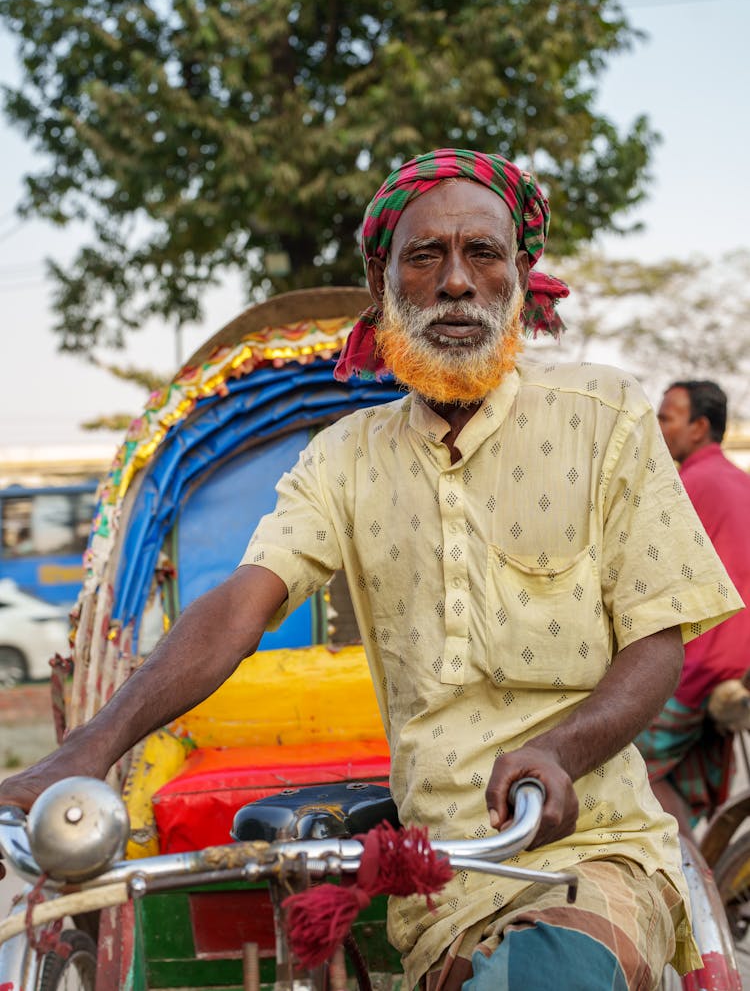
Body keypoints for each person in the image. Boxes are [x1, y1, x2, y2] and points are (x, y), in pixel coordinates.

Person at [0, 150, 742, 991]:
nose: (456, 281)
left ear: (521, 277)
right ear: (381, 279)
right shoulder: (343, 459)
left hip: (589, 848)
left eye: (483, 254)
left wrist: (560, 749)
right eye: (425, 256)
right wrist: (87, 749)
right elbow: (244, 603)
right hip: (438, 881)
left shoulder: (604, 415)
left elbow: (655, 642)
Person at [636, 380, 750, 839]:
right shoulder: (738, 480)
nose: (659, 427)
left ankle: (688, 877)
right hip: (736, 661)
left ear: (699, 427)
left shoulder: (687, 484)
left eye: (667, 417)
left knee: (623, 764)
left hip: (700, 659)